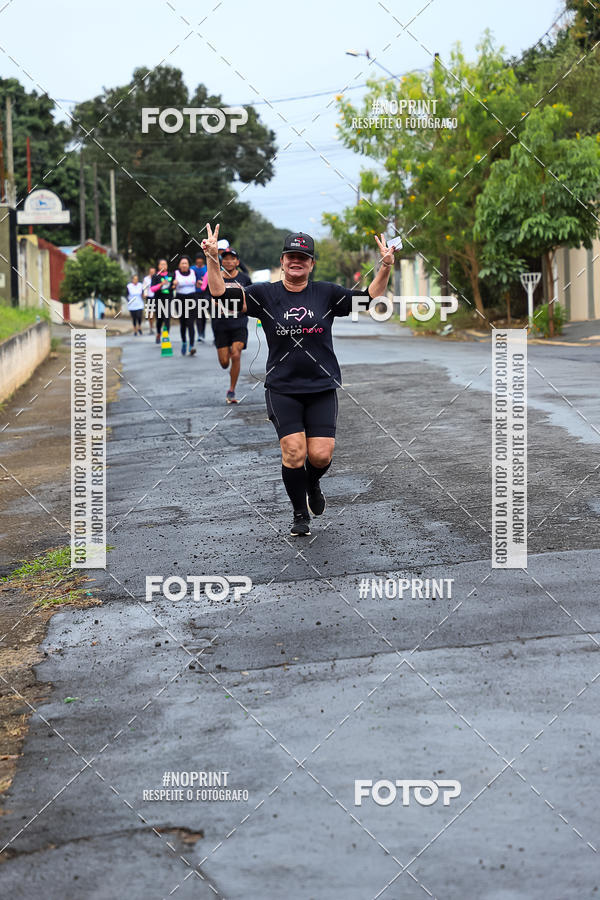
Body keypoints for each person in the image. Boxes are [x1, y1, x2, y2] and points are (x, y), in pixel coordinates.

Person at [203, 225, 395, 536]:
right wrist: (212, 259)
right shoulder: (264, 294)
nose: (296, 261)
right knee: (294, 451)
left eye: (303, 257)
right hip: (283, 388)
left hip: (321, 386)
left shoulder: (326, 293)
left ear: (311, 264)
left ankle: (312, 483)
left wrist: (384, 266)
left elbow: (367, 299)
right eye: (291, 256)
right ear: (282, 261)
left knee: (320, 455)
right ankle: (299, 513)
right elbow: (220, 294)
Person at [210, 247, 252, 404]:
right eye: (225, 258)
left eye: (232, 258)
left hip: (239, 322)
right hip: (220, 323)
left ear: (237, 262)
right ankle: (226, 351)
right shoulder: (216, 277)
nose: (228, 261)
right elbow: (211, 298)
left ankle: (231, 390)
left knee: (236, 354)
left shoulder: (244, 279)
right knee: (224, 363)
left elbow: (251, 298)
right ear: (222, 262)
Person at [174, 255, 198, 356]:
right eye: (182, 263)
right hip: (180, 300)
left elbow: (198, 283)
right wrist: (173, 284)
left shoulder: (193, 272)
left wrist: (199, 283)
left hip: (192, 299)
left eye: (186, 263)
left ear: (189, 265)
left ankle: (191, 345)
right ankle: (184, 342)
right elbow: (170, 286)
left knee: (191, 323)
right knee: (183, 323)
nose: (184, 265)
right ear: (179, 265)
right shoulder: (176, 274)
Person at [150, 259, 175, 344]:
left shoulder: (171, 275)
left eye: (165, 264)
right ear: (158, 266)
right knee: (159, 319)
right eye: (162, 264)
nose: (163, 266)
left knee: (167, 318)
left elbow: (174, 285)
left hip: (168, 300)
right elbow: (152, 289)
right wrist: (161, 284)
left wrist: (174, 285)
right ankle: (158, 333)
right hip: (159, 300)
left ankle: (166, 336)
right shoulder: (155, 276)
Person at [192, 253, 208, 344]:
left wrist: (204, 282)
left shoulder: (207, 268)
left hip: (206, 294)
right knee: (198, 314)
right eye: (197, 262)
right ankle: (200, 334)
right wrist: (195, 283)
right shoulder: (192, 269)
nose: (199, 263)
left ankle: (203, 332)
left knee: (204, 314)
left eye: (200, 262)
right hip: (196, 294)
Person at [142, 266, 156, 335]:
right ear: (149, 272)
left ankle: (156, 326)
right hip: (149, 297)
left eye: (153, 272)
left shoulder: (157, 278)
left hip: (156, 297)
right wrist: (144, 294)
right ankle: (151, 327)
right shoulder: (146, 279)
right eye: (151, 272)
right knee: (151, 313)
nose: (152, 273)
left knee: (157, 313)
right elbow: (144, 288)